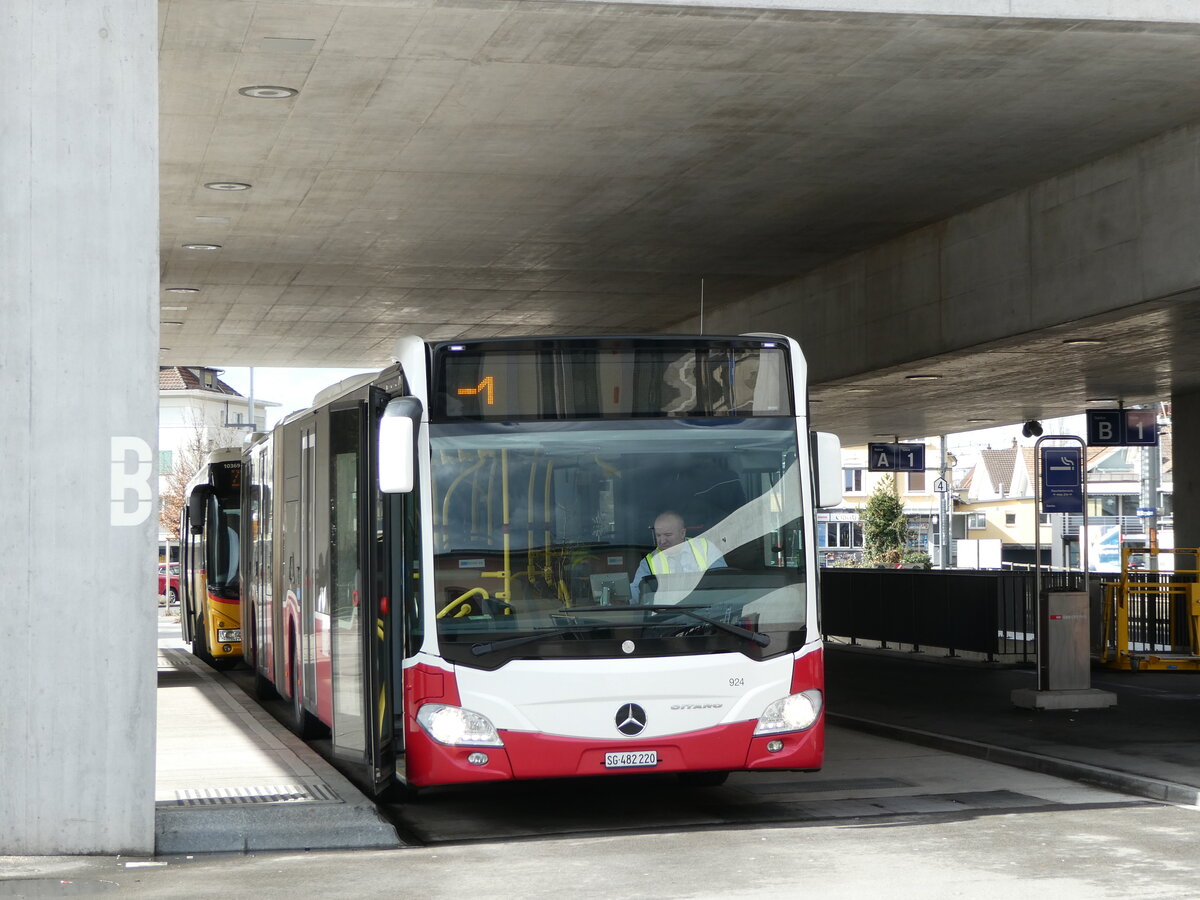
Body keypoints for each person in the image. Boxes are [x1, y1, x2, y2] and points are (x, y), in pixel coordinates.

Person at [630, 510, 725, 602]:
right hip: (665, 615)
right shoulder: (648, 562)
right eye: (658, 535)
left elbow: (722, 583)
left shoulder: (706, 548)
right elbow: (636, 594)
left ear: (682, 533)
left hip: (706, 613)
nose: (662, 541)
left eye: (668, 535)